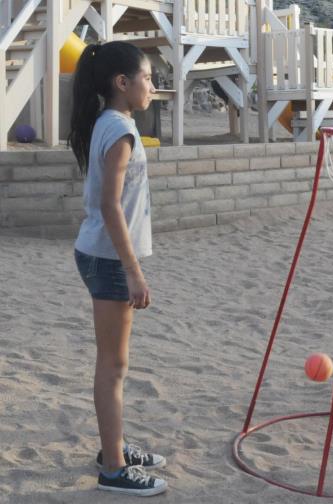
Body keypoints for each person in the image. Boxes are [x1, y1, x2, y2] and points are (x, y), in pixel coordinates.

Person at [69, 41, 167, 497]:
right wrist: (133, 271)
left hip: (100, 253)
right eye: (147, 77)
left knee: (114, 364)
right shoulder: (120, 131)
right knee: (112, 367)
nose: (153, 85)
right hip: (108, 259)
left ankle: (116, 448)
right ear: (121, 83)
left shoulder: (112, 122)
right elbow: (111, 205)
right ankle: (113, 468)